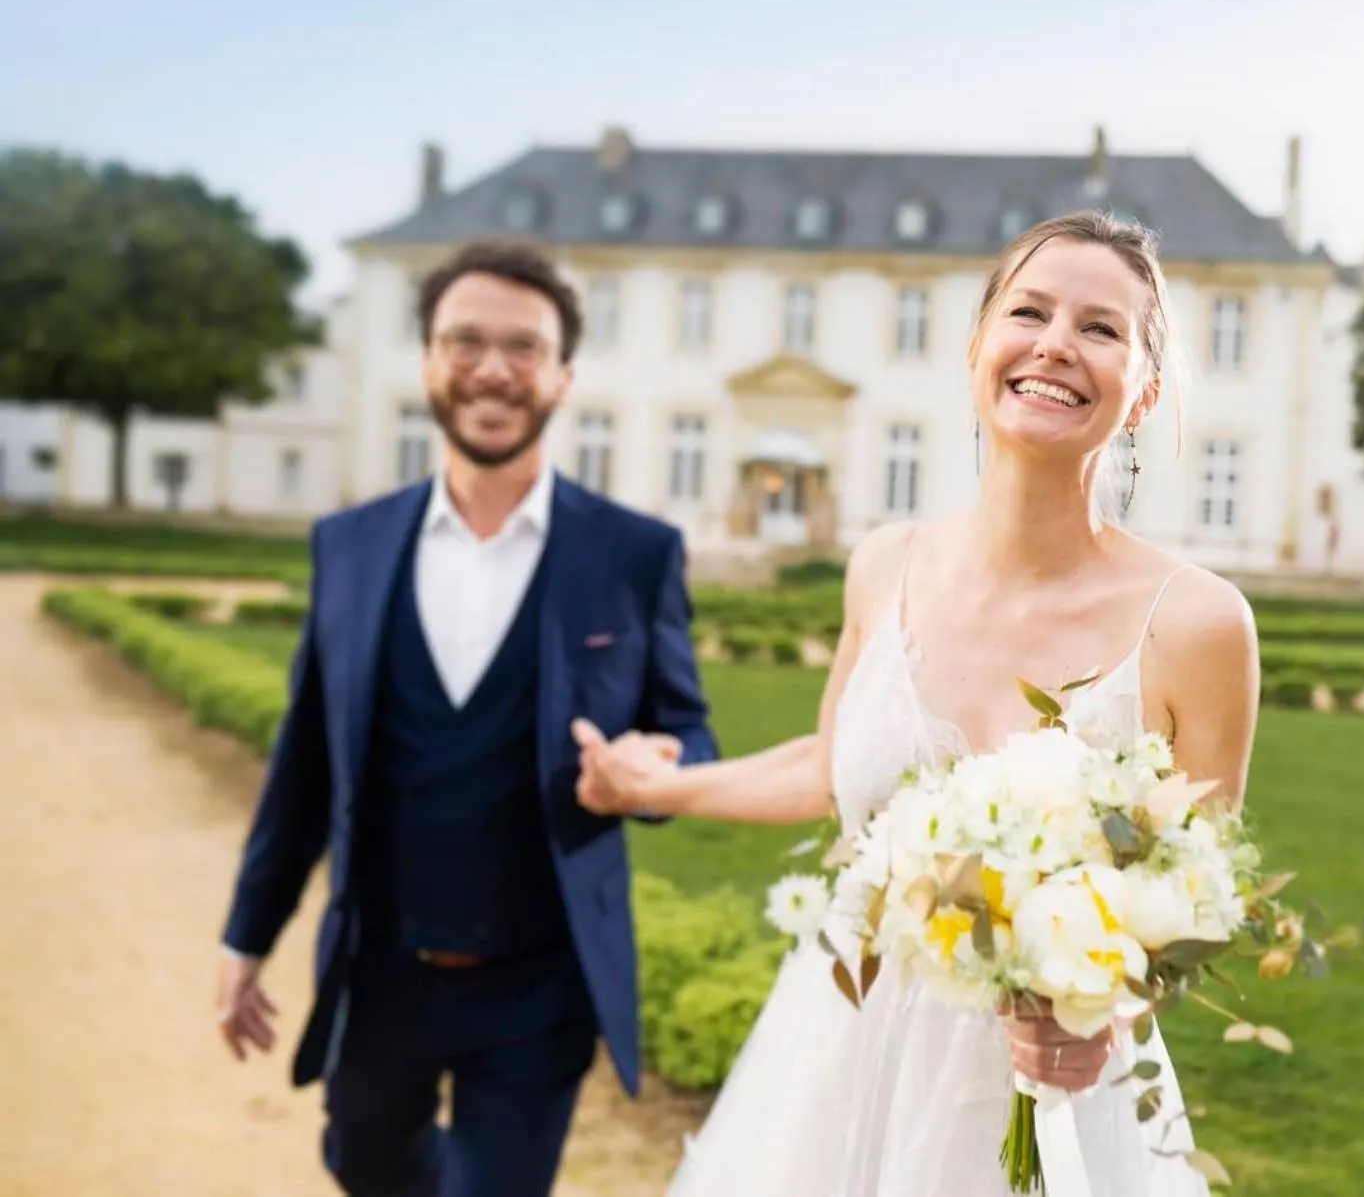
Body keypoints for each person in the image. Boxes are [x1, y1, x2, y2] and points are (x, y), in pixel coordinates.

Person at [575, 211, 1262, 1196]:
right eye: (1028, 312)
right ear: (977, 346)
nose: (1055, 343)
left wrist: (1104, 1011)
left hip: (1050, 1088)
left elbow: (1198, 895)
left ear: (1146, 387)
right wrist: (650, 786)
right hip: (836, 1054)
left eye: (1101, 328)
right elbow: (828, 767)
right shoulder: (884, 565)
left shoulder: (1196, 621)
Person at [213, 238, 713, 1196]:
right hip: (380, 970)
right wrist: (247, 938)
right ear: (428, 362)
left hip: (539, 985)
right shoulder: (350, 546)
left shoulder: (633, 554)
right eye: (466, 341)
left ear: (563, 375)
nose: (493, 368)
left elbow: (689, 734)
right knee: (362, 1165)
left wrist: (658, 770)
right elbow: (304, 767)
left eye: (524, 347)